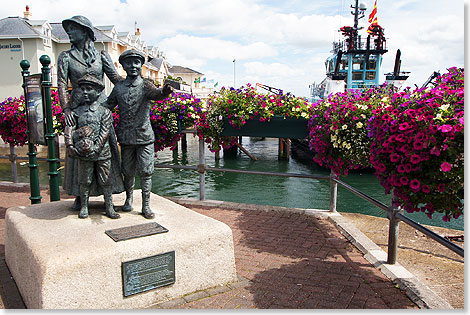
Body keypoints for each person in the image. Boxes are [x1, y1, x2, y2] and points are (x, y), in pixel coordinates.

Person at [57, 15, 124, 209]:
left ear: (85, 31)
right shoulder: (66, 57)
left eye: (73, 29)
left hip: (101, 109)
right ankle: (80, 196)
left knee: (105, 151)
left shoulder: (102, 55)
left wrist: (136, 84)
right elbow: (61, 84)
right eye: (68, 29)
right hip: (78, 109)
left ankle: (107, 196)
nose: (69, 33)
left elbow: (116, 79)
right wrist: (66, 108)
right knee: (79, 152)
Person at [106, 50, 172, 219]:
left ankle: (146, 205)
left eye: (136, 62)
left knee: (146, 171)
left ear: (141, 65)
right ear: (123, 66)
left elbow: (156, 94)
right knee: (127, 171)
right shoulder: (119, 87)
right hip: (126, 137)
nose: (133, 66)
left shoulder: (145, 85)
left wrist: (164, 91)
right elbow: (108, 105)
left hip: (144, 137)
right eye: (129, 63)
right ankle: (129, 198)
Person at [64, 75, 120, 219]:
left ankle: (109, 206)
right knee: (85, 180)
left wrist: (95, 148)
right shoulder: (77, 111)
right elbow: (69, 128)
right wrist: (70, 144)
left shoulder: (105, 112)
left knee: (106, 180)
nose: (85, 92)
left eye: (89, 89)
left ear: (98, 92)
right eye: (83, 89)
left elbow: (105, 132)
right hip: (83, 154)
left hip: (102, 153)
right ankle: (84, 206)